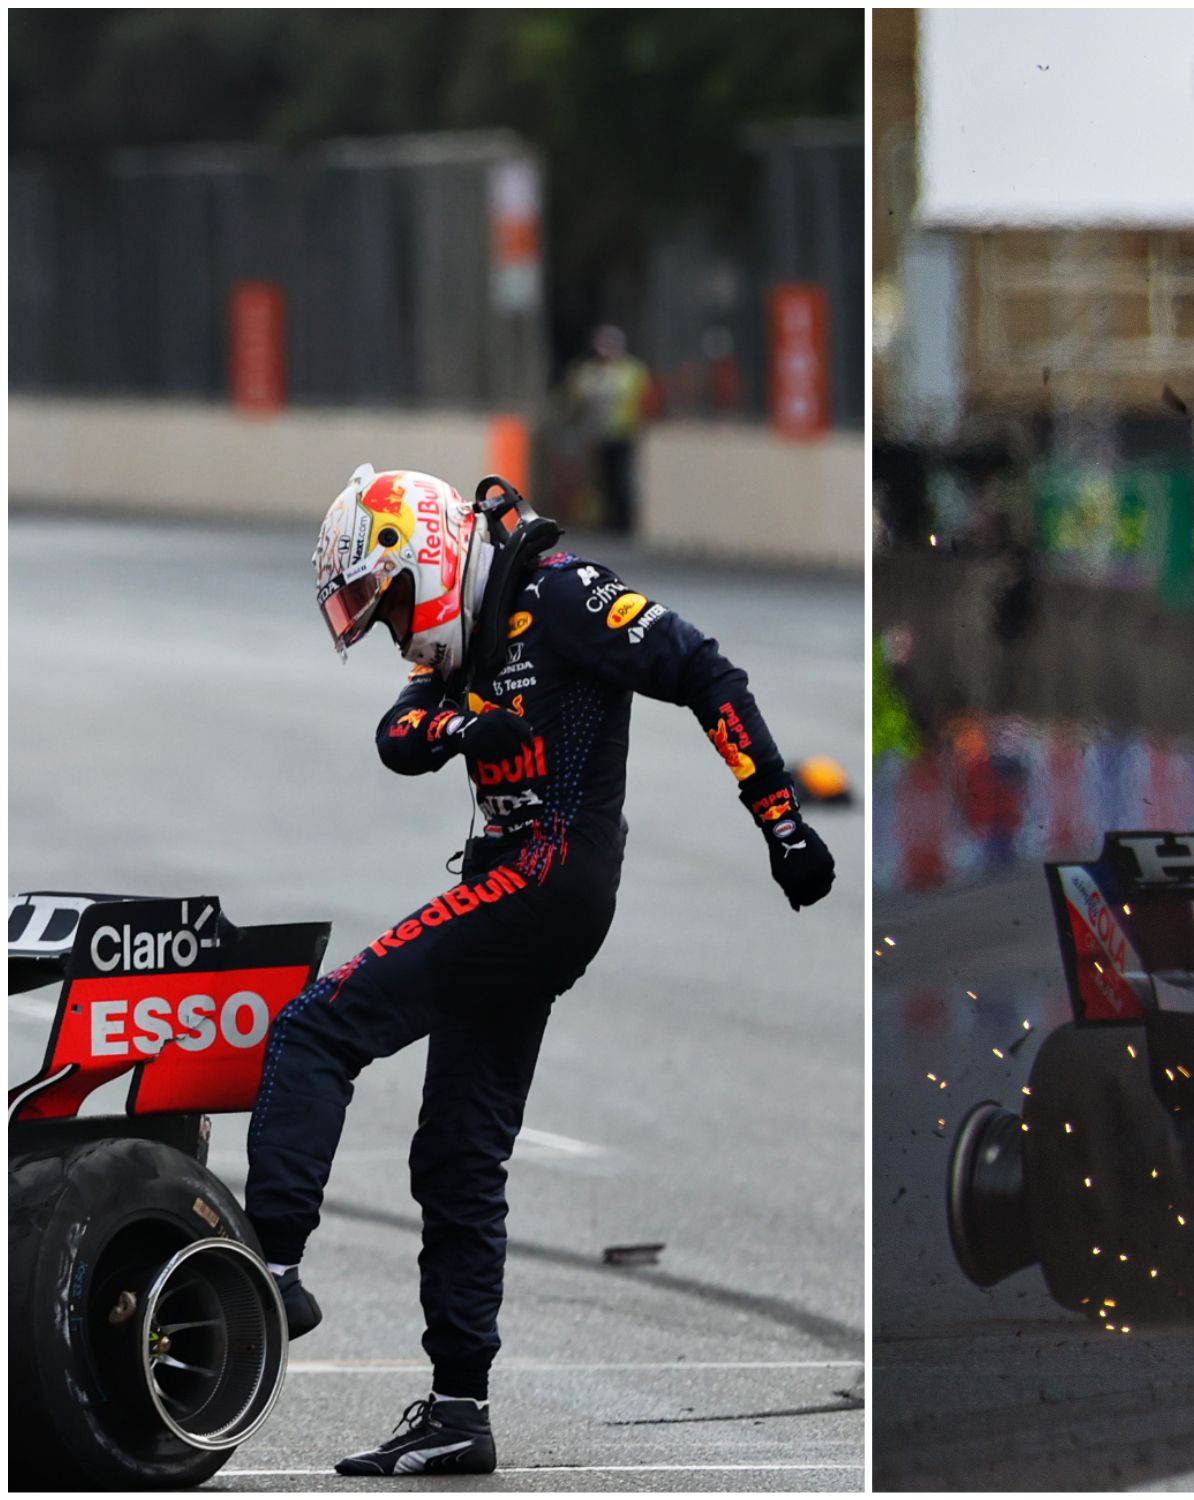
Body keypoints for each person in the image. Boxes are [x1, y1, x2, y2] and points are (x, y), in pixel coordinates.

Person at [272, 466, 836, 1476]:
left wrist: (781, 823)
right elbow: (397, 735)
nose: (394, 631)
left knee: (316, 1027)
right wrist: (461, 724)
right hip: (518, 891)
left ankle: (270, 1270)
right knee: (455, 1151)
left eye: (390, 600)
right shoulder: (467, 627)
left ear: (431, 557)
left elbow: (707, 671)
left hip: (546, 881)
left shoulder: (564, 596)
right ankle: (458, 1410)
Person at [565, 325, 653, 533]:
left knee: (622, 478)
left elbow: (645, 400)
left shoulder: (632, 370)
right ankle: (604, 519)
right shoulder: (588, 372)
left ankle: (623, 520)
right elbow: (576, 403)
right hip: (596, 436)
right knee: (600, 481)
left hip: (624, 434)